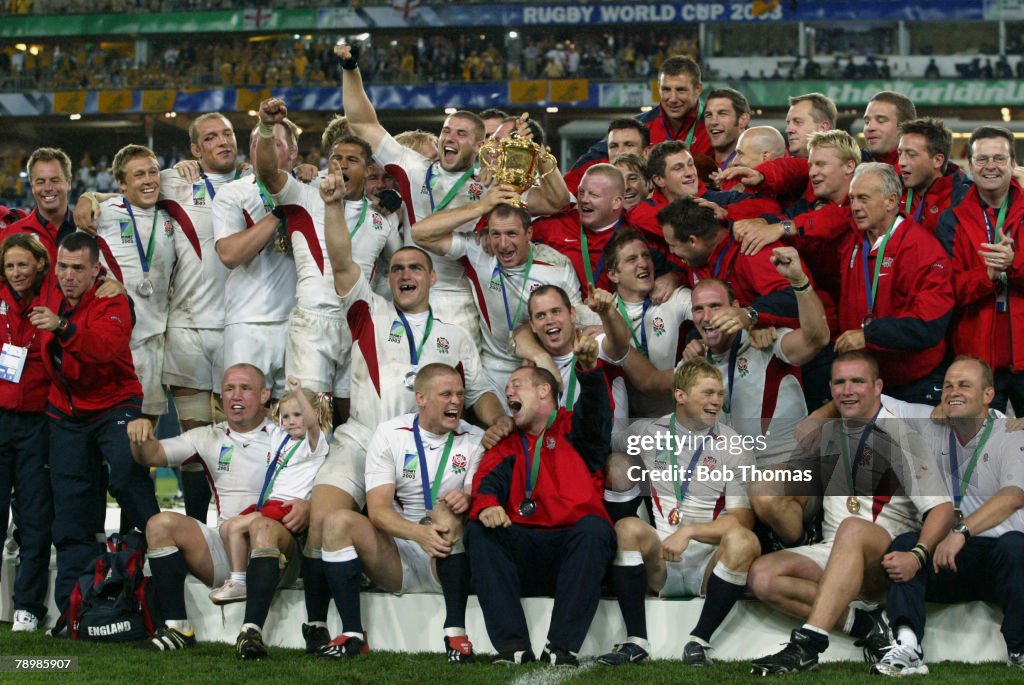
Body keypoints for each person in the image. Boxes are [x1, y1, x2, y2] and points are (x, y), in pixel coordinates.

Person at [300, 171, 504, 654]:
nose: (406, 275)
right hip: (361, 438)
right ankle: (313, 622)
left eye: (415, 268)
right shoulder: (368, 312)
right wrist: (332, 207)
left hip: (420, 447)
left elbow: (478, 393)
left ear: (432, 277)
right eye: (397, 269)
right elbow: (343, 261)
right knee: (321, 517)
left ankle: (434, 609)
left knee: (436, 518)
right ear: (387, 279)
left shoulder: (454, 335)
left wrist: (499, 423)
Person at [338, 42, 569, 346]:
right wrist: (351, 69)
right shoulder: (413, 167)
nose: (449, 137)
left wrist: (537, 155)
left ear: (478, 145)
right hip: (406, 287)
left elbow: (556, 201)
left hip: (457, 298)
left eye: (461, 134)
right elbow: (361, 122)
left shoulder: (490, 184)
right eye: (447, 131)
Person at [748, 351, 954, 675]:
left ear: (878, 387)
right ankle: (866, 625)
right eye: (840, 382)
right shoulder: (829, 435)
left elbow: (942, 508)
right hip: (834, 551)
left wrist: (918, 554)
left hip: (879, 558)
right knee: (761, 576)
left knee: (853, 528)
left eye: (858, 381)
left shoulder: (902, 437)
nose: (848, 390)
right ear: (830, 388)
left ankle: (807, 645)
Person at [131, 363, 310, 656]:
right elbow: (151, 455)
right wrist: (139, 437)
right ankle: (177, 628)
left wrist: (309, 506)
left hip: (279, 553)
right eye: (229, 389)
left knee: (261, 525)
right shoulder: (207, 437)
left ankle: (251, 632)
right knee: (158, 524)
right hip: (228, 547)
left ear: (265, 394)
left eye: (245, 388)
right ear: (219, 397)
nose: (235, 396)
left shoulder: (285, 434)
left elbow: (319, 473)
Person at [31, 232, 159, 625]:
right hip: (65, 413)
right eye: (63, 267)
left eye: (78, 269)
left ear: (96, 270)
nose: (68, 276)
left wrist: (62, 327)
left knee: (126, 478)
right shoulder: (47, 290)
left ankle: (161, 562)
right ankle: (74, 608)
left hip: (114, 405)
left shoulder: (112, 297)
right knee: (71, 511)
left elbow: (104, 348)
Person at [597, 358, 759, 667]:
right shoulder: (647, 431)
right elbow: (603, 441)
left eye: (720, 394)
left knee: (745, 540)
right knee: (626, 528)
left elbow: (742, 520)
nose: (716, 402)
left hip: (709, 563)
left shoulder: (734, 445)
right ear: (680, 395)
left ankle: (699, 641)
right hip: (661, 559)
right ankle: (636, 641)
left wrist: (689, 532)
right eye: (708, 393)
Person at [316, 363, 484, 662]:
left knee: (446, 511)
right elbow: (378, 510)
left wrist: (467, 498)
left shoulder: (474, 438)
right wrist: (419, 534)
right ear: (421, 398)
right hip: (398, 554)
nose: (456, 401)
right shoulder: (391, 433)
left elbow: (475, 492)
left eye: (460, 393)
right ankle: (352, 633)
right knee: (336, 521)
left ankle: (456, 633)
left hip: (446, 553)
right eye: (446, 394)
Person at [870, 357, 1024, 674]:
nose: (953, 392)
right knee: (906, 545)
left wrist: (959, 532)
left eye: (965, 385)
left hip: (1002, 561)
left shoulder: (1011, 434)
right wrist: (820, 413)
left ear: (988, 395)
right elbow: (869, 398)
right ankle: (906, 646)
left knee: (1015, 545)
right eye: (949, 386)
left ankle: (1020, 650)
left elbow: (1012, 497)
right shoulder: (931, 424)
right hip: (950, 558)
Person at [254, 98, 401, 425]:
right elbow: (266, 171)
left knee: (358, 420)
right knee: (309, 421)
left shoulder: (382, 220)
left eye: (353, 159)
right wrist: (265, 128)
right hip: (312, 323)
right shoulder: (304, 197)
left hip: (360, 326)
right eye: (336, 158)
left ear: (368, 169)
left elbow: (401, 267)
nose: (343, 164)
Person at [467, 344, 616, 666]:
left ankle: (562, 648)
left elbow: (597, 413)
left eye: (517, 384)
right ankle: (513, 647)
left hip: (572, 550)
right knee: (479, 528)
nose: (508, 392)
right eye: (506, 388)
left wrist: (590, 373)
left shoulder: (575, 429)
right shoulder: (506, 442)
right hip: (524, 546)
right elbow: (486, 482)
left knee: (594, 529)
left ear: (545, 390)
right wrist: (488, 505)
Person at [615, 249, 828, 466]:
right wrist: (609, 331)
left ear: (735, 308)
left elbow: (816, 339)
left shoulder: (763, 339)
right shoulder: (697, 358)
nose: (707, 317)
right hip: (737, 472)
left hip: (785, 466)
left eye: (715, 306)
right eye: (698, 309)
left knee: (764, 496)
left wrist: (799, 282)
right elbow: (651, 382)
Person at [411, 198, 592, 405]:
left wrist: (599, 323)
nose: (503, 245)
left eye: (511, 234)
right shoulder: (479, 251)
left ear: (529, 234)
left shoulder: (555, 267)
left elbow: (575, 312)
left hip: (545, 367)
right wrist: (479, 208)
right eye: (496, 234)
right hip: (494, 369)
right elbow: (420, 233)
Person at [836, 163, 953, 404]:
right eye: (852, 198)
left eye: (864, 199)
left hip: (913, 384)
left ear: (890, 201)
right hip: (865, 380)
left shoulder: (924, 250)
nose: (855, 207)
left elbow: (927, 326)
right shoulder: (853, 241)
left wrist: (869, 335)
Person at [209, 376, 326, 606]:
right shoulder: (281, 437)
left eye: (298, 414)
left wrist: (298, 392)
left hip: (287, 506)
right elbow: (260, 417)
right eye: (286, 416)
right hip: (269, 503)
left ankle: (239, 581)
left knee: (236, 527)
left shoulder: (315, 444)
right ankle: (244, 575)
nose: (291, 421)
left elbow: (312, 424)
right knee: (226, 528)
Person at [937, 126, 1023, 415]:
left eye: (999, 159)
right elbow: (946, 289)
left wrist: (1015, 265)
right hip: (978, 362)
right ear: (970, 165)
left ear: (1013, 163)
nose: (990, 167)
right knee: (980, 450)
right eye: (982, 159)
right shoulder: (952, 219)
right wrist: (986, 276)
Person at [91, 144, 178, 423]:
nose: (149, 180)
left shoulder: (171, 215)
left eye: (153, 172)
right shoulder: (103, 213)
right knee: (114, 432)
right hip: (118, 344)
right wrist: (87, 196)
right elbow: (74, 264)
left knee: (146, 436)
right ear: (121, 183)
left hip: (156, 341)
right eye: (138, 174)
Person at [213, 122, 298, 401]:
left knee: (296, 416)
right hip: (247, 324)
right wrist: (278, 214)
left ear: (293, 152)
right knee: (245, 413)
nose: (262, 150)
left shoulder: (311, 189)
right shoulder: (233, 193)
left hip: (299, 324)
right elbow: (229, 254)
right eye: (255, 143)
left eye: (273, 143)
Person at [0, 234, 55, 632]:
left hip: (39, 423)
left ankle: (27, 608)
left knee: (35, 518)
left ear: (39, 263)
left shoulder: (55, 300)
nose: (16, 272)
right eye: (9, 266)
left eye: (23, 264)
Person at [2, 147, 76, 262]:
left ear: (69, 182)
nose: (47, 188)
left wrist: (92, 197)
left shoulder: (88, 229)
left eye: (54, 180)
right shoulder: (11, 235)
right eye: (40, 182)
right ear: (32, 186)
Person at [896, 117, 967, 235]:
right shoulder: (893, 193)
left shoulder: (963, 200)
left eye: (911, 155)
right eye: (900, 153)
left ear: (937, 160)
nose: (901, 162)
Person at [703, 87, 751, 170]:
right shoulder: (697, 166)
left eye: (722, 114)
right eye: (709, 115)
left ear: (743, 120)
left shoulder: (755, 167)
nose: (713, 122)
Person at [784, 93, 836, 158]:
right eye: (788, 123)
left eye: (797, 122)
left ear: (823, 128)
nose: (788, 130)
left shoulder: (844, 166)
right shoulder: (778, 166)